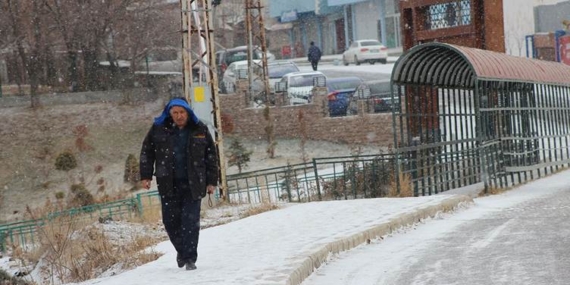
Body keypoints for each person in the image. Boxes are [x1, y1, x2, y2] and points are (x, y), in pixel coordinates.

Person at [139, 97, 219, 271]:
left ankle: (190, 258)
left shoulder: (200, 129)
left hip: (193, 184)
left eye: (182, 112)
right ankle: (182, 251)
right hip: (168, 184)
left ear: (188, 113)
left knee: (190, 222)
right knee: (170, 222)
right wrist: (145, 176)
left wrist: (212, 181)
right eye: (175, 113)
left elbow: (211, 156)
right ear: (170, 113)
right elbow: (147, 152)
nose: (179, 116)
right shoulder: (159, 129)